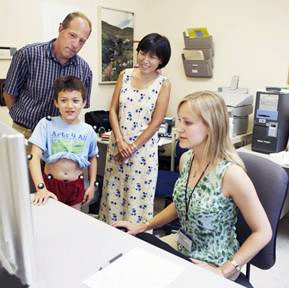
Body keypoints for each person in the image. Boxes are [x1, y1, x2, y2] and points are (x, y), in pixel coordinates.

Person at [113, 91, 272, 284]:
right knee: (135, 257)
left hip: (214, 263)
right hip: (183, 249)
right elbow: (182, 203)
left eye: (187, 123)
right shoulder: (186, 159)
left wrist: (224, 271)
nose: (179, 128)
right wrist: (144, 226)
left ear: (210, 127)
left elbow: (263, 232)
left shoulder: (232, 174)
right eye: (179, 120)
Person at [99, 33, 171, 224]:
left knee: (136, 204)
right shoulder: (124, 75)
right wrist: (121, 142)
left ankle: (137, 246)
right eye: (142, 53)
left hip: (142, 154)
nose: (145, 60)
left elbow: (157, 122)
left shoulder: (163, 84)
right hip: (118, 147)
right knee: (112, 199)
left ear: (161, 61)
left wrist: (132, 147)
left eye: (152, 57)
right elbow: (113, 110)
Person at [3, 12, 92, 150]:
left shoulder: (84, 69)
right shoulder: (28, 55)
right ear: (60, 28)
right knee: (23, 172)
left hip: (60, 139)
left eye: (82, 41)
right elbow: (9, 93)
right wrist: (20, 120)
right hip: (26, 134)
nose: (76, 44)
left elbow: (80, 105)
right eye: (72, 35)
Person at [28, 76, 98, 210]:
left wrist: (92, 185)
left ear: (84, 103)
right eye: (64, 100)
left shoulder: (88, 130)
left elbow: (93, 157)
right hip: (51, 184)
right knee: (50, 224)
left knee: (73, 225)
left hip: (76, 186)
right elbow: (34, 157)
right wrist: (40, 188)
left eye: (75, 101)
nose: (70, 106)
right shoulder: (46, 124)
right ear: (56, 102)